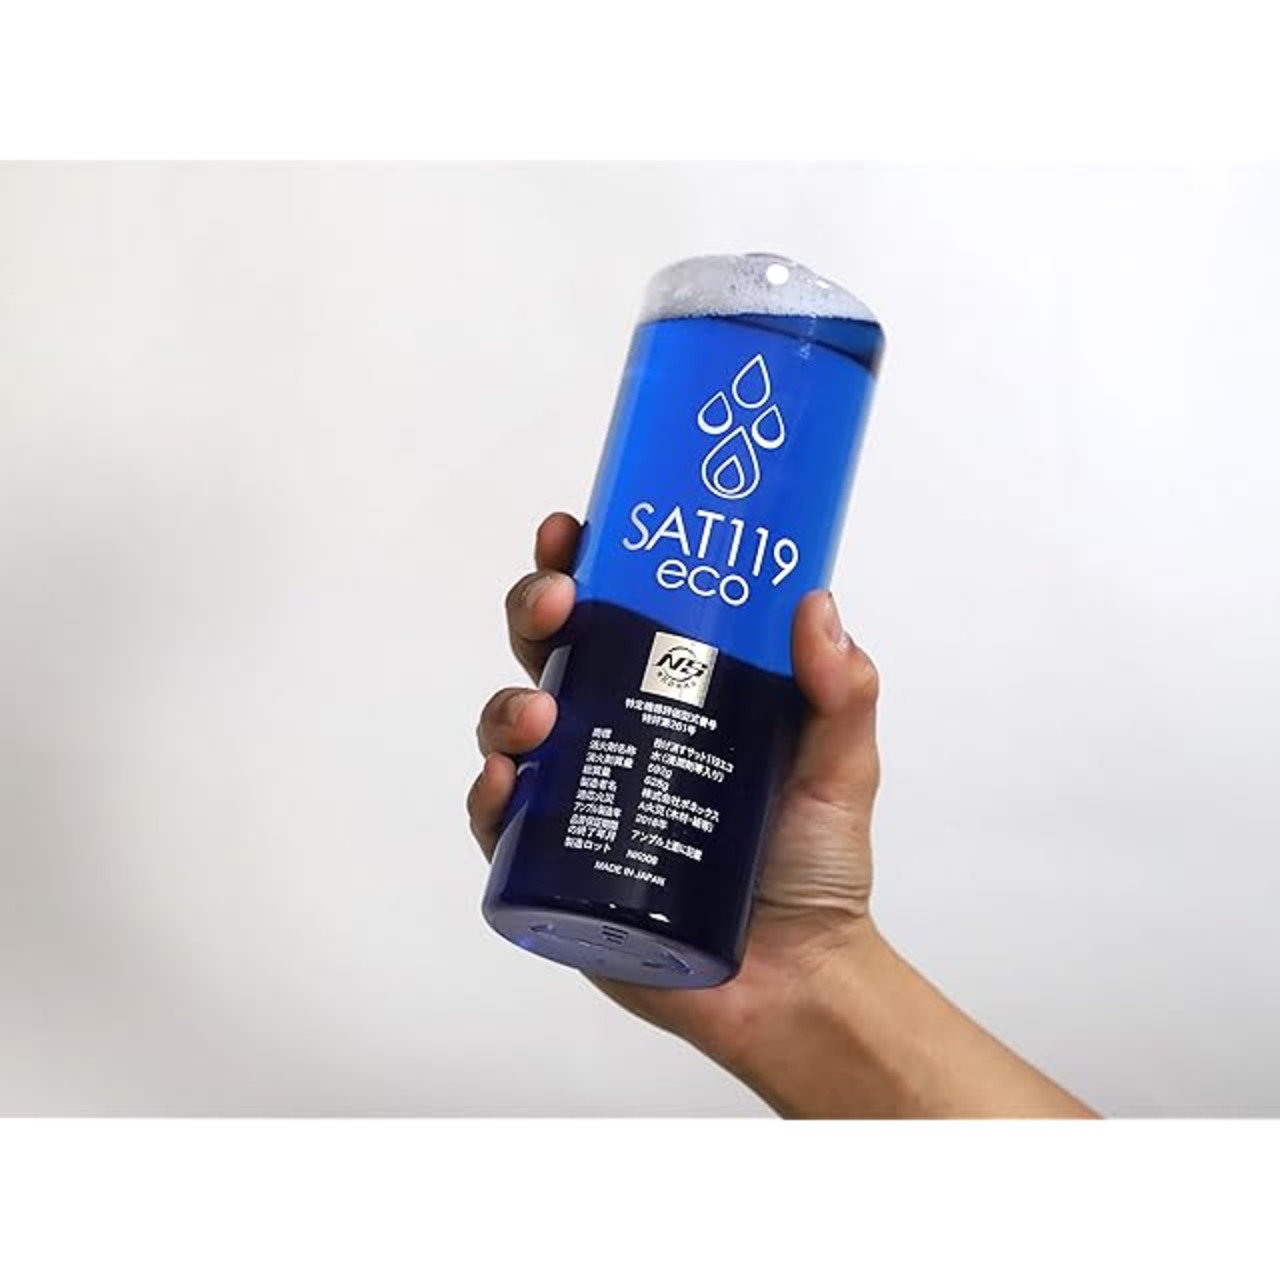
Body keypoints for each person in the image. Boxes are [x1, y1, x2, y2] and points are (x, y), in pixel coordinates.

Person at [467, 512, 1096, 1119]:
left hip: (734, 826)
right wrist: (800, 975)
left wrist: (808, 962)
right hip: (607, 774)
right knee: (572, 649)